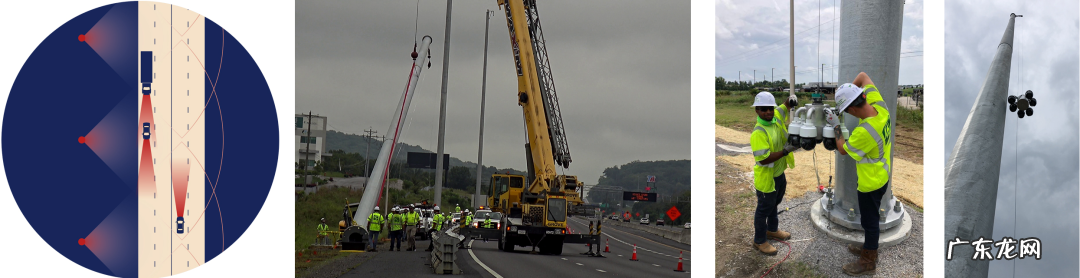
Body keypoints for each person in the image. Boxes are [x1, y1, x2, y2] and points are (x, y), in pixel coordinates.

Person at [828, 72, 892, 276]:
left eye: (847, 111)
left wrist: (836, 125)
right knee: (870, 220)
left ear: (853, 108)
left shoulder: (865, 132)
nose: (849, 114)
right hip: (882, 175)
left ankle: (868, 260)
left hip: (871, 183)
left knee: (869, 222)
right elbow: (863, 77)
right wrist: (843, 94)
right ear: (863, 96)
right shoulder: (880, 107)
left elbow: (843, 149)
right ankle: (868, 248)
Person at [749, 91, 798, 256]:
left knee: (773, 204)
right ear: (757, 111)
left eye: (770, 108)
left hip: (778, 174)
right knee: (763, 209)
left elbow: (785, 106)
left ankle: (772, 230)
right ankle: (760, 240)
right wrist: (785, 151)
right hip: (766, 179)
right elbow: (763, 160)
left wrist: (791, 100)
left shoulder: (776, 116)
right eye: (763, 109)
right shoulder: (759, 132)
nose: (768, 112)